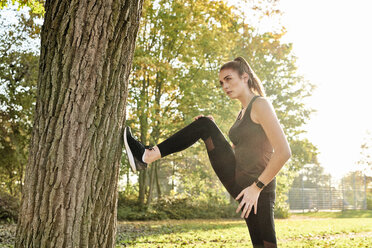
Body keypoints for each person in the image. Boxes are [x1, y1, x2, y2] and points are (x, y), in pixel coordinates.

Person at [123, 56, 291, 248]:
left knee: (264, 245)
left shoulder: (260, 104)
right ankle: (147, 155)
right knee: (205, 125)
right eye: (221, 83)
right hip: (240, 179)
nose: (224, 86)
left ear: (245, 77)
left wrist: (257, 187)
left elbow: (284, 152)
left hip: (258, 188)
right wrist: (213, 132)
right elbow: (242, 150)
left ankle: (147, 155)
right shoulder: (242, 112)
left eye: (228, 79)